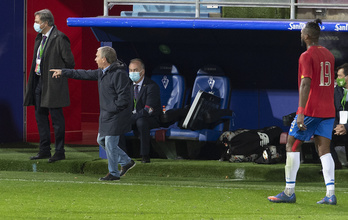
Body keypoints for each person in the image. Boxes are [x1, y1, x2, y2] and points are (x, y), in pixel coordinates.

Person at [268, 19, 337, 205]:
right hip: (328, 110)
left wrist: (300, 111)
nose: (300, 34)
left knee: (291, 145)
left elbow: (305, 83)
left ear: (306, 36)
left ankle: (289, 191)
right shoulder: (329, 55)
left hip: (311, 110)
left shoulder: (306, 56)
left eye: (301, 32)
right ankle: (331, 194)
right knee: (324, 150)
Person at [51, 46, 135, 181]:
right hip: (106, 115)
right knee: (101, 140)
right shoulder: (102, 72)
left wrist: (112, 109)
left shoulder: (119, 74)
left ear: (104, 59)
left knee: (110, 144)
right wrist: (63, 72)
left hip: (116, 115)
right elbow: (82, 74)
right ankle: (126, 161)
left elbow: (124, 99)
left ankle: (113, 173)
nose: (95, 59)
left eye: (97, 56)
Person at [24, 9, 75, 163]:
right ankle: (44, 150)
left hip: (53, 85)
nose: (35, 25)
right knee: (40, 117)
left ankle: (59, 151)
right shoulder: (40, 38)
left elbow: (70, 62)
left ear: (46, 23)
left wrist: (59, 72)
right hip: (39, 82)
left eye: (37, 22)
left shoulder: (60, 38)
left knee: (56, 120)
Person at [119, 58, 161, 163]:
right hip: (132, 118)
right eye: (130, 70)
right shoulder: (127, 86)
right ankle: (123, 156)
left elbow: (148, 110)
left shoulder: (151, 86)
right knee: (118, 122)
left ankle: (145, 155)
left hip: (150, 119)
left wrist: (130, 119)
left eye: (135, 70)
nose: (132, 73)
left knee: (141, 121)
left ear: (142, 72)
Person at [330, 63, 348, 169]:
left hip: (347, 126)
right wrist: (336, 126)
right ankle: (334, 163)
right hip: (338, 127)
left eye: (340, 76)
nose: (337, 79)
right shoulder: (335, 91)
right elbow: (331, 111)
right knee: (322, 135)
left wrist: (346, 127)